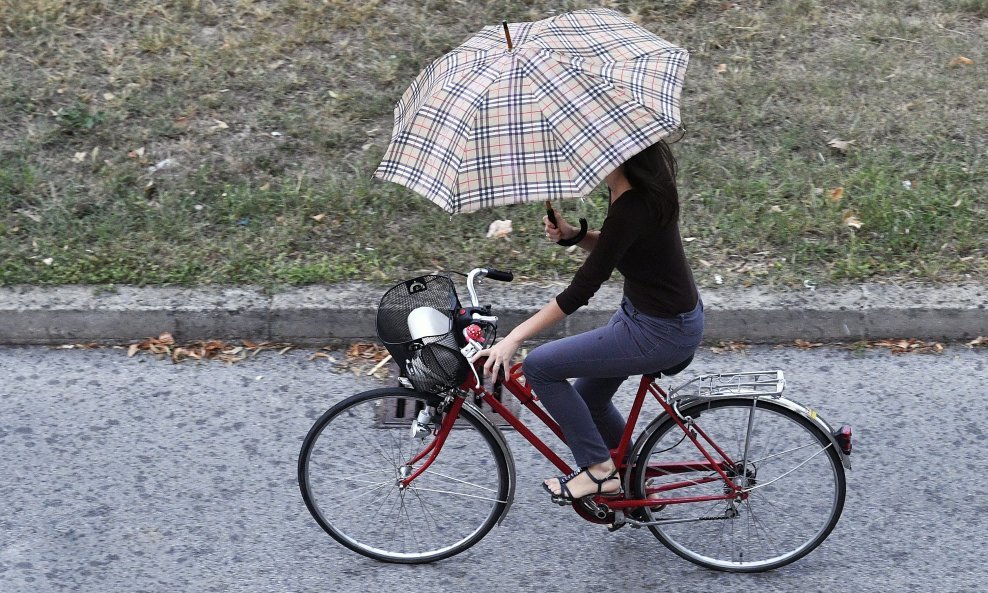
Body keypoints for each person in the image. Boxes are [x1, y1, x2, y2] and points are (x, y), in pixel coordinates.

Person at [471, 140, 703, 502]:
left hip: (659, 332)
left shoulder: (632, 204)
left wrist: (514, 338)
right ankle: (631, 479)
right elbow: (618, 245)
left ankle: (599, 471)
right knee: (588, 402)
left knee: (540, 367)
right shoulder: (640, 187)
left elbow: (579, 293)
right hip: (654, 317)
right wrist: (573, 236)